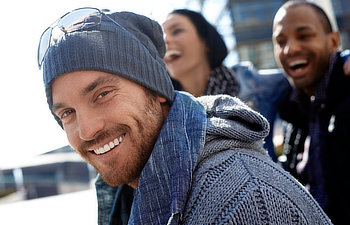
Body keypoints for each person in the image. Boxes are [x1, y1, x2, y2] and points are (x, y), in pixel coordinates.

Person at [38, 7, 333, 225]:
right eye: (66, 113)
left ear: (156, 89)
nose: (86, 130)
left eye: (102, 94)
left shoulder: (240, 202)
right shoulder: (127, 194)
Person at [162, 9, 290, 161]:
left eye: (176, 31)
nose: (165, 40)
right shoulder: (165, 109)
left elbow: (299, 79)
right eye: (161, 36)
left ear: (206, 42)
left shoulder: (252, 84)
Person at [272, 1, 350, 224]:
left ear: (334, 41)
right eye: (280, 42)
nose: (290, 49)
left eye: (304, 36)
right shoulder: (290, 111)